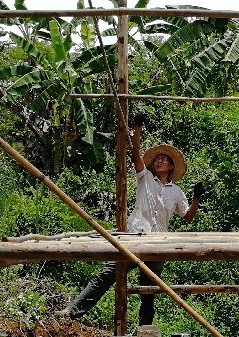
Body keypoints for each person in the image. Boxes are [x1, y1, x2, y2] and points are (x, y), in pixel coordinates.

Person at [58, 122, 202, 326]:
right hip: (136, 236)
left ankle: (145, 331)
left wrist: (196, 198)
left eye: (164, 159)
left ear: (171, 166)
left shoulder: (176, 192)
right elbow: (135, 154)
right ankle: (72, 311)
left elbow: (187, 216)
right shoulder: (146, 178)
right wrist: (138, 129)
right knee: (109, 273)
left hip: (159, 243)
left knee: (149, 291)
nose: (160, 161)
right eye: (157, 159)